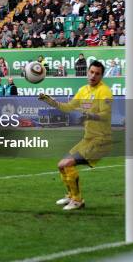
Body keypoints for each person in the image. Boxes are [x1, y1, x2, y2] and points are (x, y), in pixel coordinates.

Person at [39, 61, 112, 210]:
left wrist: (89, 116)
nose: (93, 76)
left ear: (101, 75)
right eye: (91, 72)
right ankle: (71, 196)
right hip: (88, 139)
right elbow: (68, 107)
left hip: (101, 140)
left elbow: (106, 114)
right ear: (87, 72)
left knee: (67, 164)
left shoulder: (104, 91)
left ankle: (78, 200)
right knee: (61, 165)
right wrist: (51, 101)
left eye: (97, 73)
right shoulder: (83, 90)